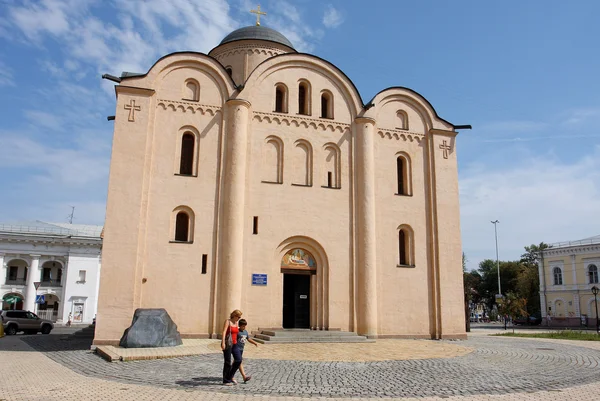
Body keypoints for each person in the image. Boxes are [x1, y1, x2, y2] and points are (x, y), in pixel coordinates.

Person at [221, 309, 242, 386]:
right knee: (228, 362)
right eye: (238, 317)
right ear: (234, 315)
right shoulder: (228, 321)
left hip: (235, 344)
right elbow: (223, 332)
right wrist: (223, 342)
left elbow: (236, 333)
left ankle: (230, 376)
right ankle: (226, 380)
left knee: (238, 359)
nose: (239, 318)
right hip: (228, 344)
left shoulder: (236, 323)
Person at [236, 318, 259, 383]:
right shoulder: (237, 332)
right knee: (239, 362)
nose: (244, 327)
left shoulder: (245, 332)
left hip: (241, 349)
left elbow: (248, 339)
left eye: (245, 326)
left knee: (236, 363)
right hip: (237, 349)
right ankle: (244, 376)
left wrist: (254, 343)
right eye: (243, 326)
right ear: (239, 325)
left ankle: (229, 374)